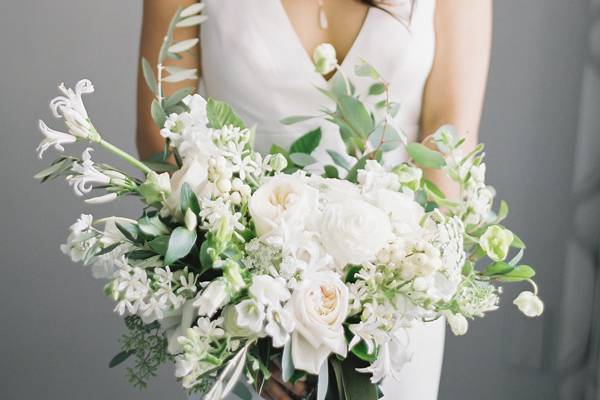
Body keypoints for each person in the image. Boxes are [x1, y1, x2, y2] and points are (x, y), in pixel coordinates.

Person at [137, 1, 491, 399]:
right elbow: (163, 141)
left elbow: (449, 147)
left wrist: (379, 297)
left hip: (392, 310)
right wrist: (251, 323)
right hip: (245, 305)